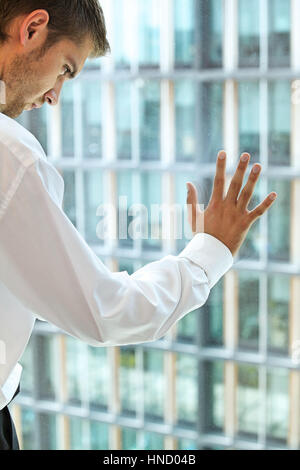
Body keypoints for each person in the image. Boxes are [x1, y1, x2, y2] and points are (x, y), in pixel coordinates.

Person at [0, 1, 277, 450]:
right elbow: (105, 311)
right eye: (65, 69)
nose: (53, 97)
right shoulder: (9, 155)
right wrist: (210, 251)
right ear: (33, 28)